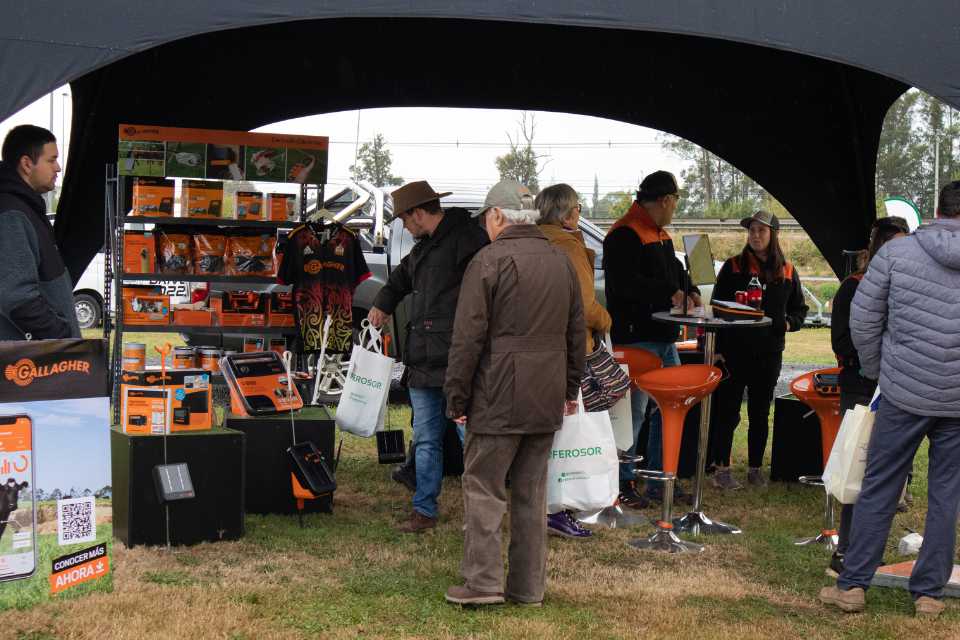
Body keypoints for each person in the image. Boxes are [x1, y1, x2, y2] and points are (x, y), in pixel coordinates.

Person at [820, 181, 960, 619]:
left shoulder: (896, 255)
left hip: (902, 389)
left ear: (936, 210)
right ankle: (929, 594)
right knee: (946, 493)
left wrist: (881, 369)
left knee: (879, 486)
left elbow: (862, 320)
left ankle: (854, 584)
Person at [443, 179, 585, 606]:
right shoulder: (561, 260)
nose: (486, 225)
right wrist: (569, 387)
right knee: (531, 492)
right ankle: (528, 588)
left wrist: (456, 396)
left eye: (487, 218)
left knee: (484, 487)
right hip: (546, 394)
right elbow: (575, 333)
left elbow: (467, 339)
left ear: (498, 216)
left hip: (497, 392)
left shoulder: (487, 261)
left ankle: (483, 584)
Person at [367, 181, 488, 533]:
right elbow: (401, 278)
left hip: (458, 360)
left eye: (404, 219)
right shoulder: (423, 249)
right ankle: (424, 510)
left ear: (418, 213)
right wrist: (381, 304)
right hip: (423, 360)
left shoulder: (469, 241)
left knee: (472, 443)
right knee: (425, 438)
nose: (404, 227)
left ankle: (480, 516)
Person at [602, 170, 698, 505]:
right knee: (634, 413)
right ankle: (622, 484)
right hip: (636, 338)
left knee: (668, 409)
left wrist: (690, 289)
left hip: (664, 337)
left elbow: (675, 273)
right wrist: (670, 293)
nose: (675, 208)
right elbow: (626, 286)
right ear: (665, 200)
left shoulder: (659, 234)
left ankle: (660, 479)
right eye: (675, 201)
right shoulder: (623, 235)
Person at [827, 215, 908, 577]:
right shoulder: (854, 286)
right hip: (861, 388)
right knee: (858, 470)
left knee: (884, 474)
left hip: (895, 388)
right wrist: (875, 358)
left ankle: (867, 553)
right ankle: (846, 552)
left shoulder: (905, 285)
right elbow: (842, 343)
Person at [707, 210, 808, 488]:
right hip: (734, 352)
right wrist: (715, 347)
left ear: (773, 235)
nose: (755, 235)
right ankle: (722, 471)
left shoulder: (787, 270)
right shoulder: (733, 267)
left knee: (760, 413)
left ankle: (754, 469)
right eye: (751, 230)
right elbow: (715, 309)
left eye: (761, 230)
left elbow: (800, 309)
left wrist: (788, 323)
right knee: (728, 412)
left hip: (769, 354)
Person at [535, 183, 611, 540]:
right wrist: (606, 320)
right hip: (570, 353)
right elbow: (583, 307)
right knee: (566, 437)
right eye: (578, 208)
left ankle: (538, 505)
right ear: (566, 214)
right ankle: (559, 510)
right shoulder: (568, 245)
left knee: (542, 439)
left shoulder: (531, 242)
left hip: (536, 353)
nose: (580, 213)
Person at [0, 124, 79, 340]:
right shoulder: (11, 214)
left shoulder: (26, 207)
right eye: (51, 160)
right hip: (27, 363)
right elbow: (16, 296)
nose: (58, 168)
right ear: (27, 164)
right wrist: (61, 336)